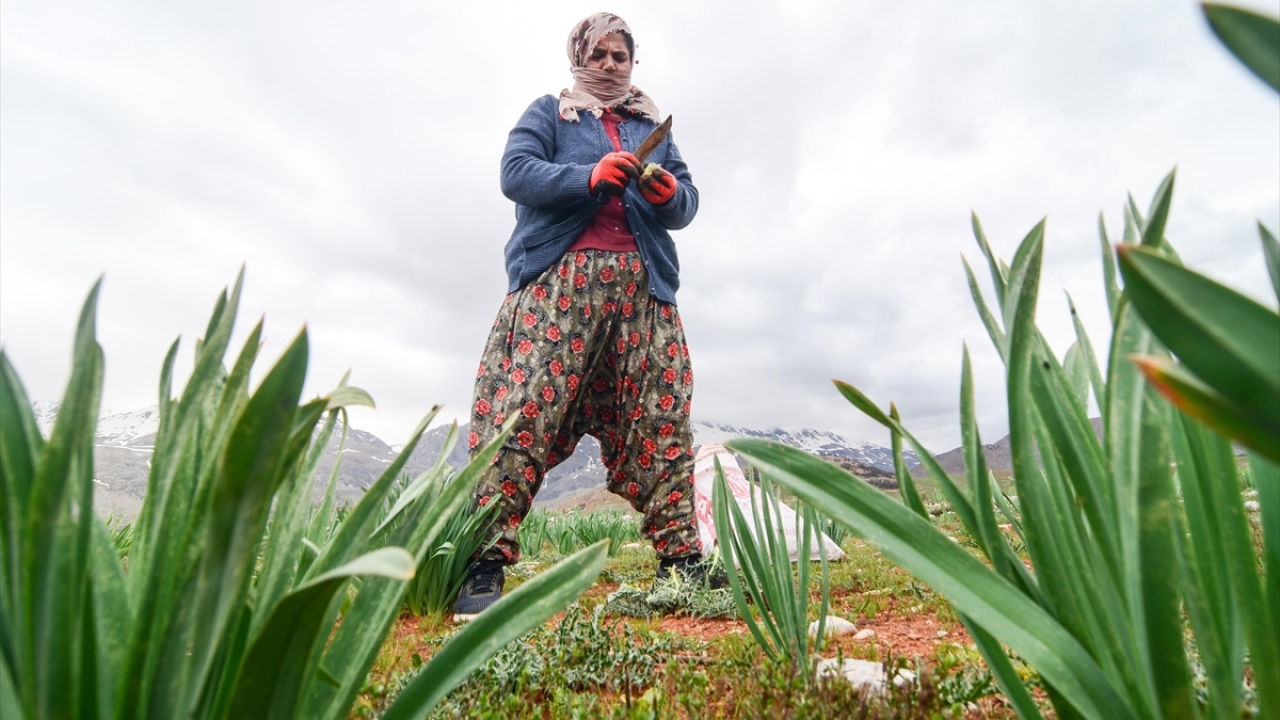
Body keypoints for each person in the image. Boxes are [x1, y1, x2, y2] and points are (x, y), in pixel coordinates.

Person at [454, 12, 719, 619]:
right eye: (597, 53)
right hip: (560, 287)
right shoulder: (551, 111)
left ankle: (683, 562)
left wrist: (666, 195)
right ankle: (482, 562)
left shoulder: (651, 124)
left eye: (619, 55)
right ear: (579, 56)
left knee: (661, 415)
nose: (608, 63)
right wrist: (588, 175)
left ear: (632, 62)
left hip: (643, 292)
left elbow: (686, 199)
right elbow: (515, 173)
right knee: (527, 409)